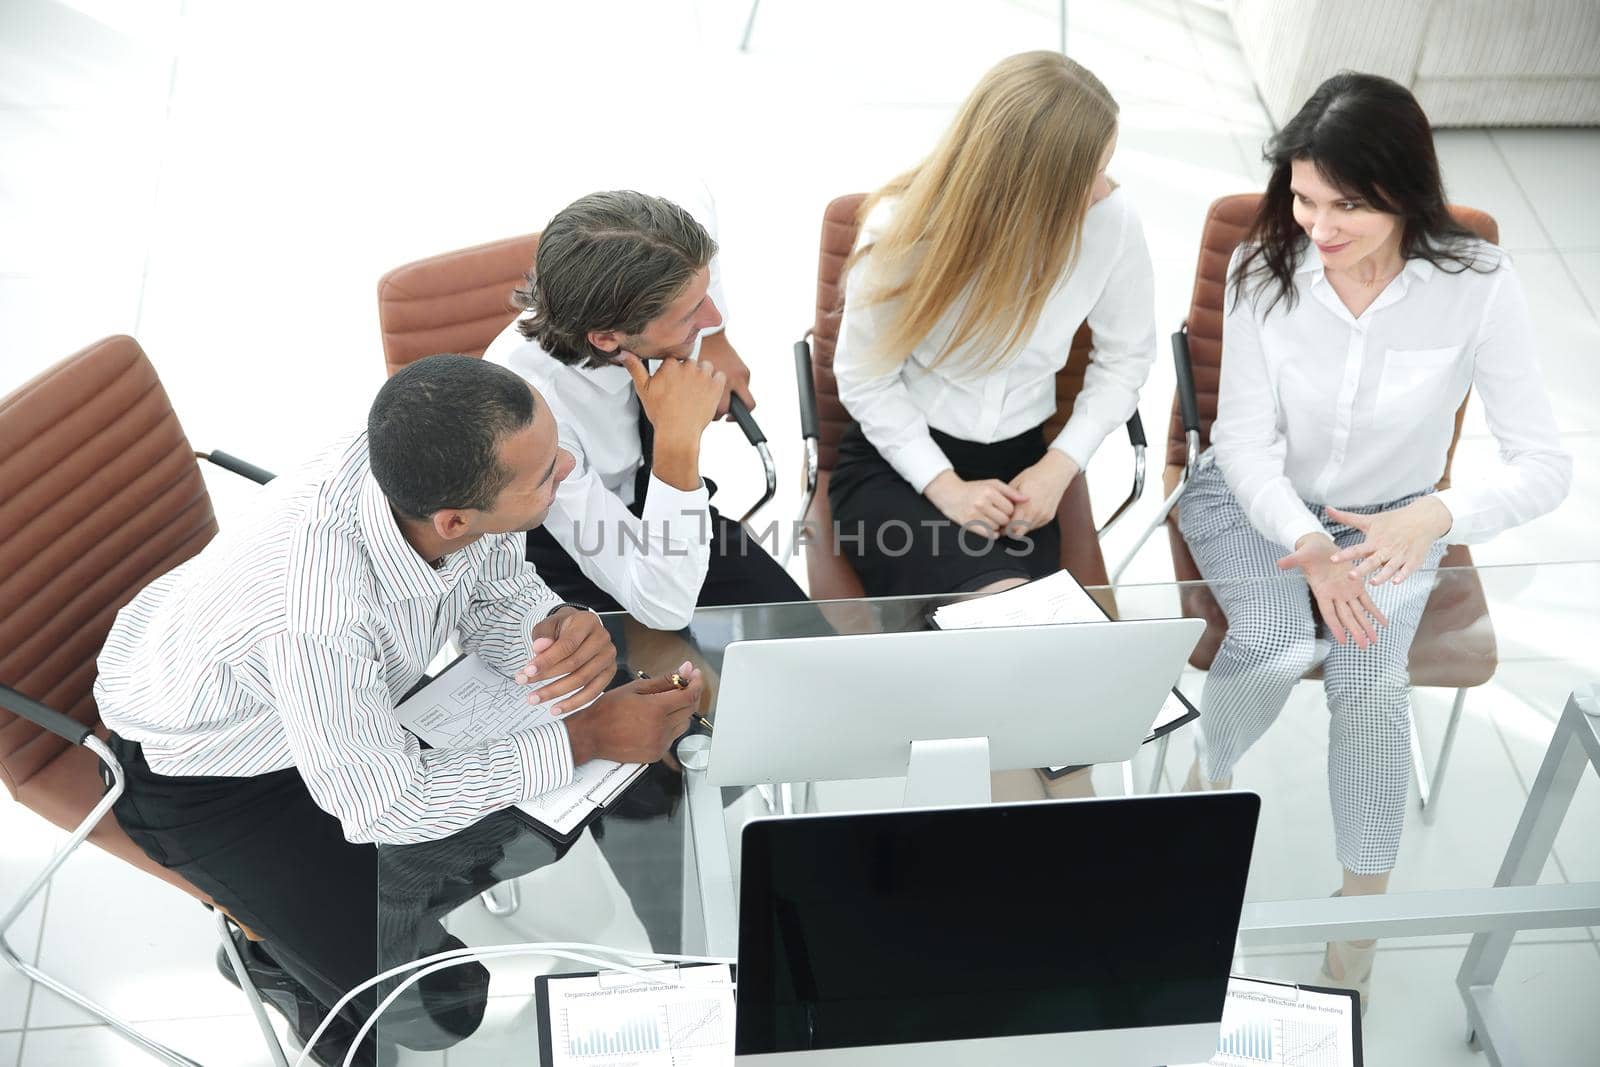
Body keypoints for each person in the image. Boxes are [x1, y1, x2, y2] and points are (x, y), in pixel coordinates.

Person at [95, 355, 707, 1065]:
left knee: (630, 794)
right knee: (432, 1009)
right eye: (545, 474)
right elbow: (383, 804)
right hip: (213, 781)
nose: (567, 465)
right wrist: (584, 735)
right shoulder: (318, 614)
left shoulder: (436, 469)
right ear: (453, 518)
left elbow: (495, 586)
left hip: (352, 709)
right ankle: (268, 959)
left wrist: (550, 628)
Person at [1176, 72, 1572, 1008]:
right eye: (1306, 199)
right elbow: (1239, 440)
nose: (1319, 225)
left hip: (1394, 521)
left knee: (1365, 672)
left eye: (1346, 204)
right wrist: (1304, 543)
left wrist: (1434, 514)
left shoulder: (1476, 285)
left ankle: (1358, 922)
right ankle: (1204, 783)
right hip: (1251, 500)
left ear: (1405, 188)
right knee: (1273, 640)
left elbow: (1544, 465)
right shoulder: (1263, 263)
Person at [828, 50, 1157, 599]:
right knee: (1002, 611)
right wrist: (946, 487)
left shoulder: (1112, 221)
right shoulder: (901, 230)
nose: (1105, 189)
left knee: (1024, 629)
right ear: (1031, 182)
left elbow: (1125, 359)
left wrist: (1060, 466)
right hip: (899, 463)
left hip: (1023, 470)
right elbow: (865, 380)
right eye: (1091, 174)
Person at [485, 188, 806, 630]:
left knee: (803, 638)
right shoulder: (532, 409)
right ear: (606, 338)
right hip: (561, 559)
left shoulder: (632, 312)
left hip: (662, 504)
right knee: (677, 694)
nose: (712, 316)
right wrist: (678, 438)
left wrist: (716, 341)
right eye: (691, 313)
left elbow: (700, 198)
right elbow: (661, 606)